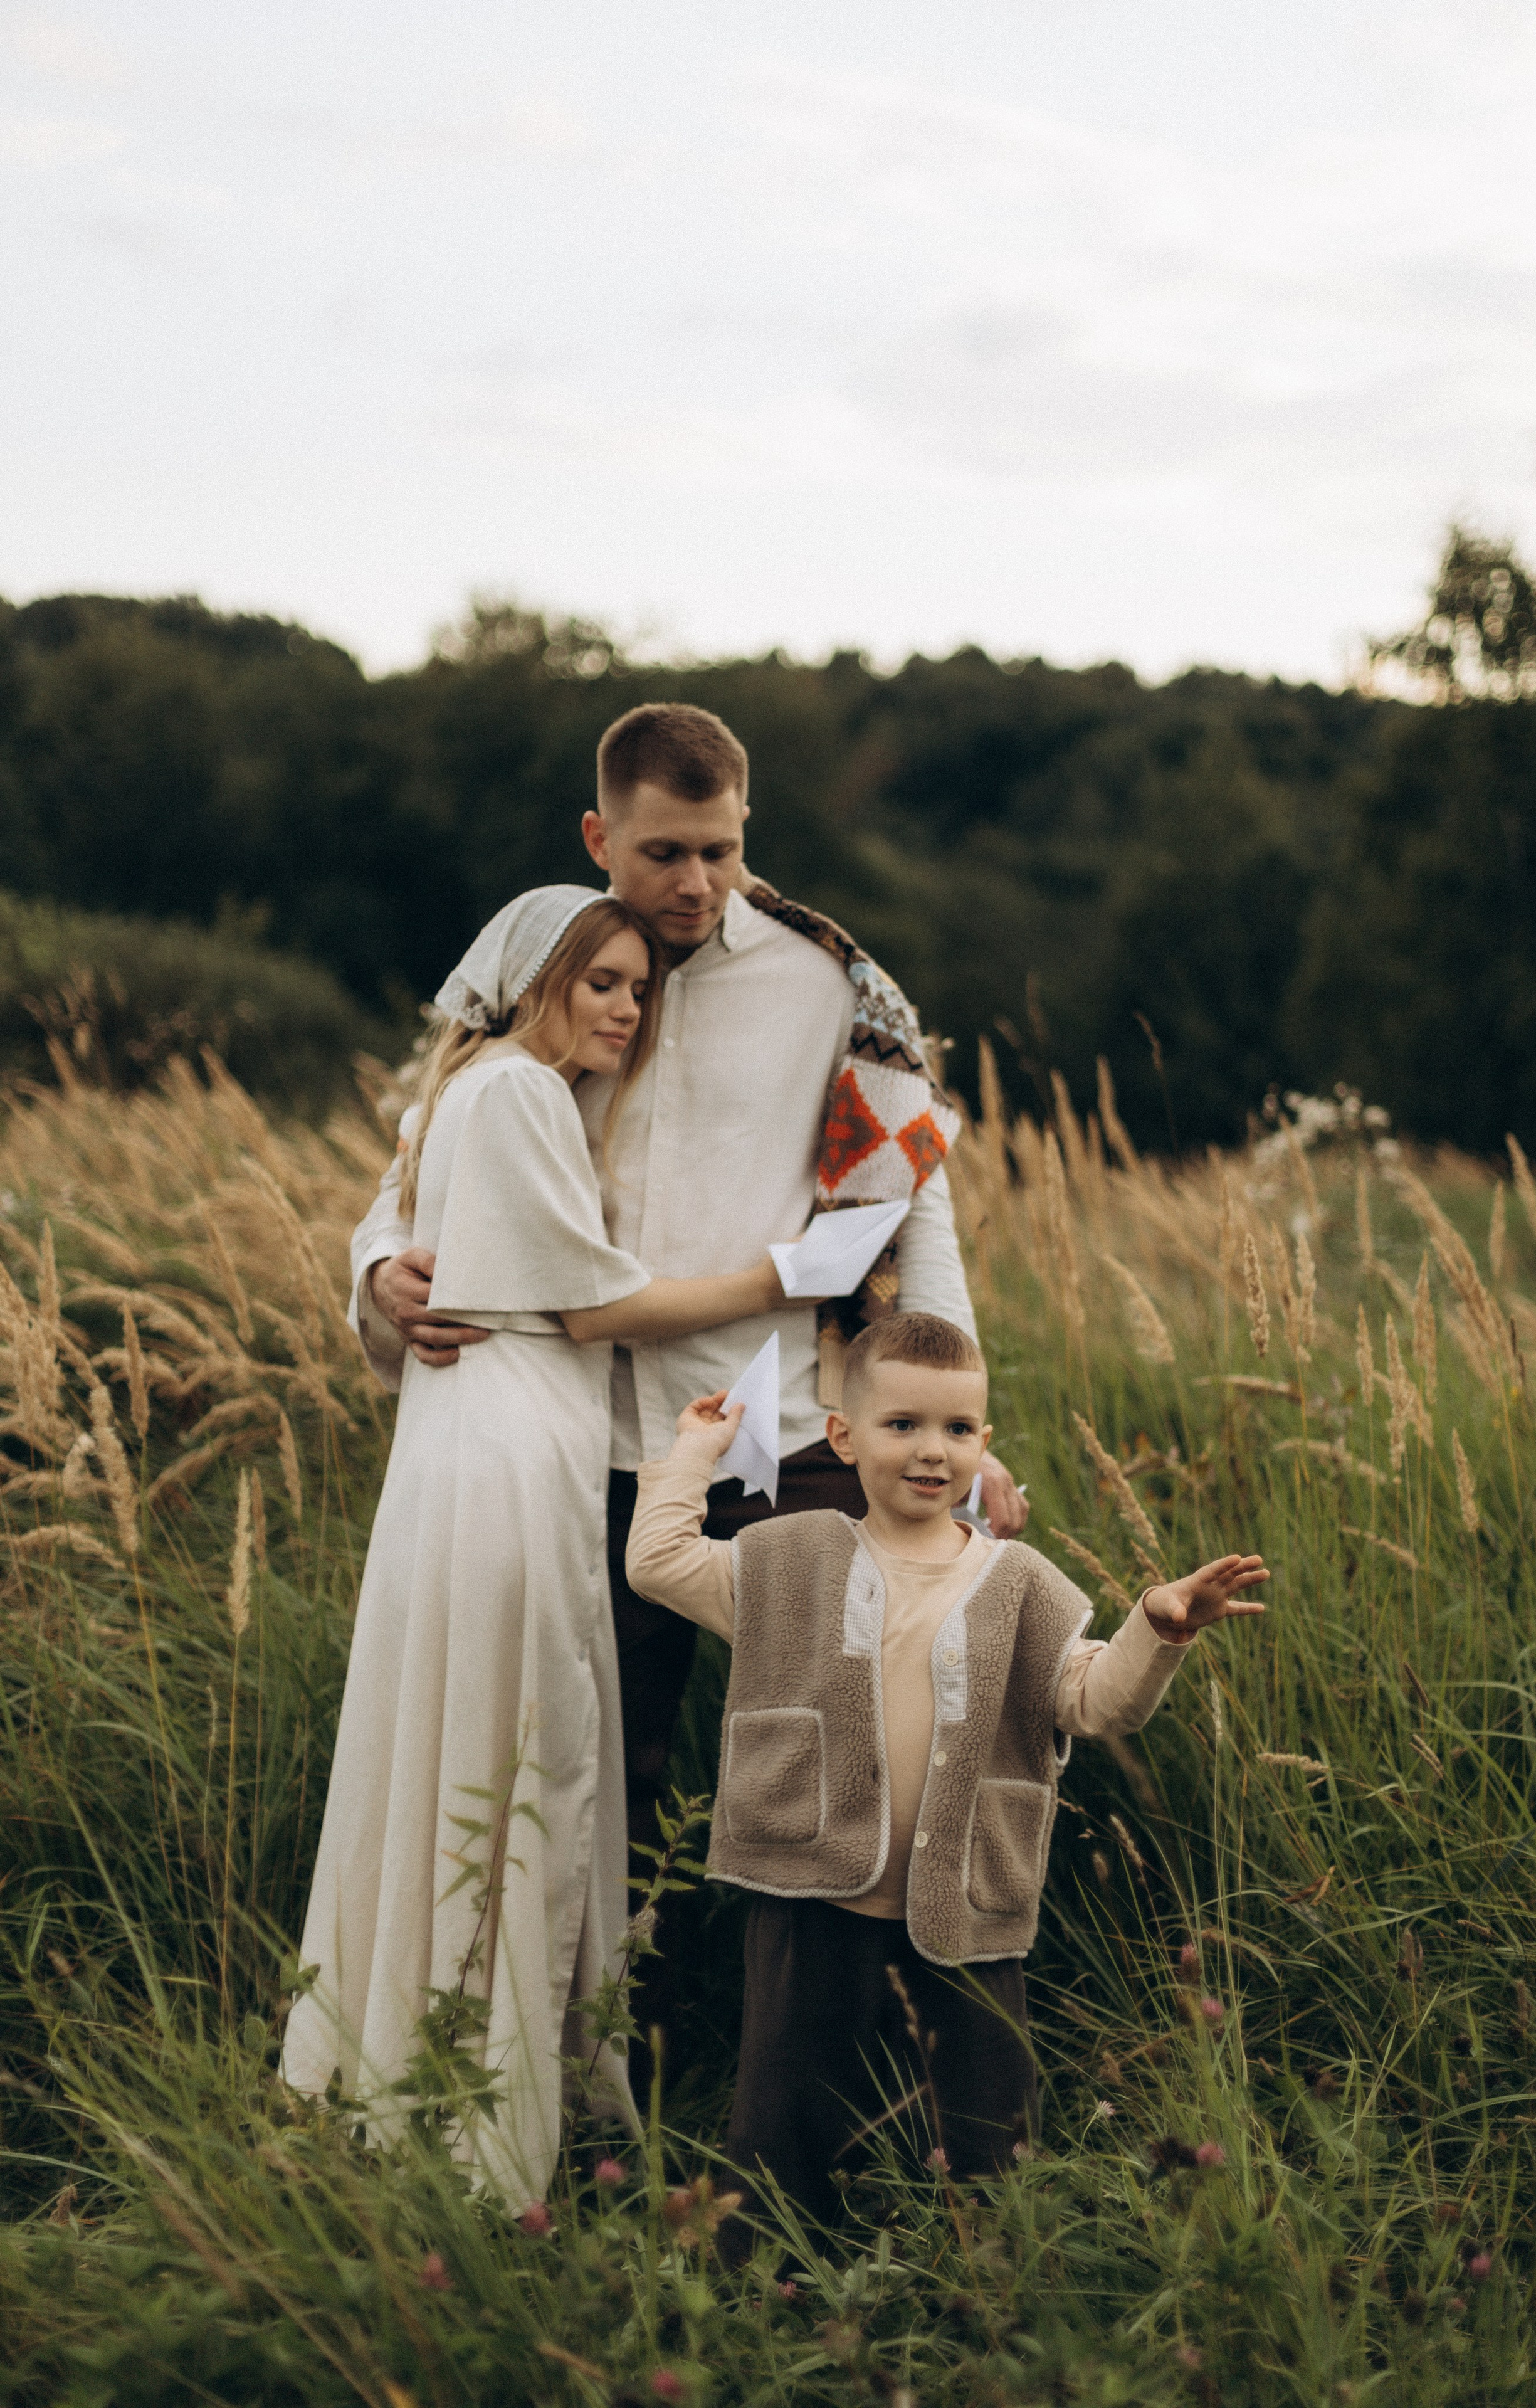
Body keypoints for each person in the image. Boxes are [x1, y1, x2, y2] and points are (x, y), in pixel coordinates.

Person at [347, 703, 1030, 2057]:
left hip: (774, 1430)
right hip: (568, 1443)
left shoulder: (833, 984)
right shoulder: (546, 965)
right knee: (603, 1777)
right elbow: (414, 1164)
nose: (693, 885)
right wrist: (376, 1277)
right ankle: (610, 2081)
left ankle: (856, 2076)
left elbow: (910, 1208)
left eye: (718, 851)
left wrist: (964, 1423)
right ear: (598, 835)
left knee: (856, 1754)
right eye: (661, 852)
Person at [282, 886, 799, 2212]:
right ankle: (488, 2119)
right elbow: (596, 1306)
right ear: (536, 983)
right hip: (509, 1445)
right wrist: (786, 1278)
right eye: (601, 984)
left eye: (638, 989)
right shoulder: (515, 1094)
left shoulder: (491, 1092)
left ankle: (428, 2066)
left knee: (465, 1745)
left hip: (470, 1440)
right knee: (520, 1757)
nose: (625, 1009)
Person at [624, 1311, 1268, 2249]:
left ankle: (983, 2292)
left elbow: (1097, 1705)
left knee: (986, 2134)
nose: (933, 1452)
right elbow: (658, 1562)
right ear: (842, 1437)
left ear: (984, 1444)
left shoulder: (1023, 1585)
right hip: (812, 1903)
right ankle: (765, 2287)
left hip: (965, 1913)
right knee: (784, 2124)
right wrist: (695, 1451)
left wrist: (1158, 1628)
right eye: (903, 1426)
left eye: (959, 1430)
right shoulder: (792, 1558)